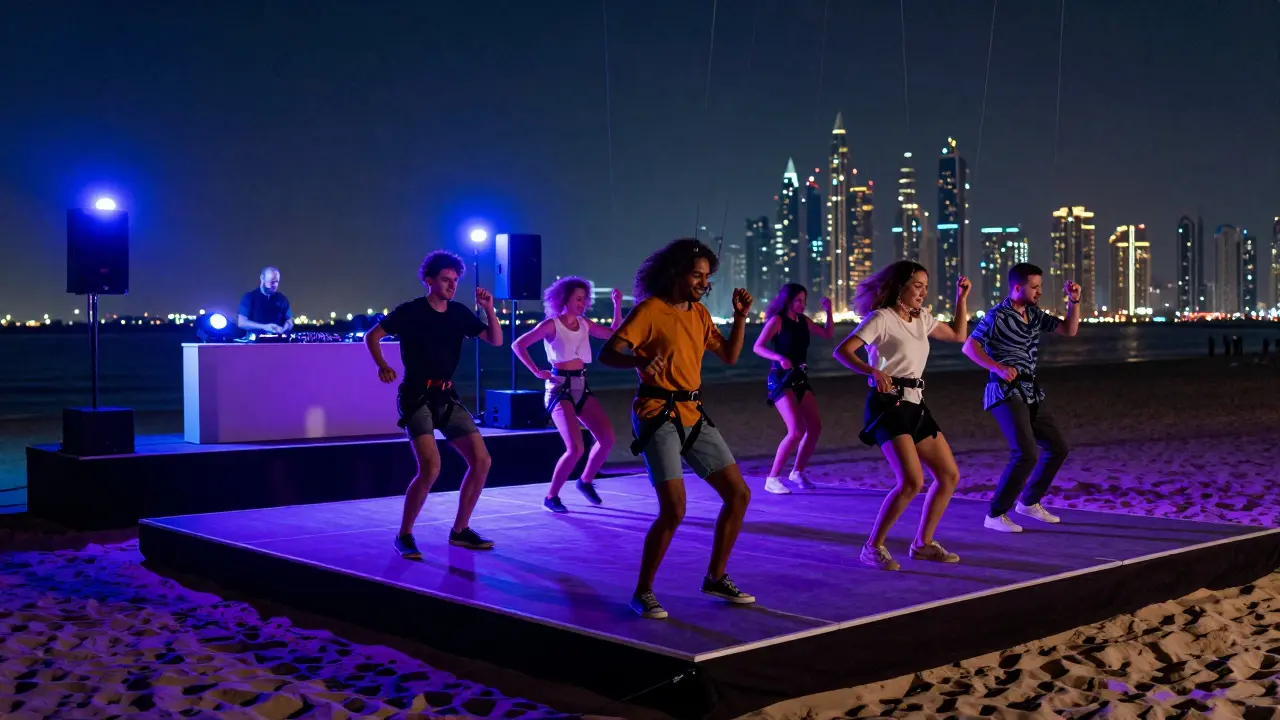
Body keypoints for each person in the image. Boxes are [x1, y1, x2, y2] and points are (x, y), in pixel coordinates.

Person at [598, 238, 755, 619]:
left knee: (738, 496)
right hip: (657, 413)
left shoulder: (700, 315)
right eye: (697, 275)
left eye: (707, 276)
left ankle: (716, 577)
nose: (704, 282)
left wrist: (739, 317)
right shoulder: (651, 310)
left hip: (693, 412)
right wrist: (638, 360)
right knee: (674, 510)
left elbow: (731, 357)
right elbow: (607, 354)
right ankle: (643, 592)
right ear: (676, 274)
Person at [364, 250, 504, 558]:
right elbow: (372, 336)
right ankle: (405, 534)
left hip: (447, 397)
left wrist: (489, 310)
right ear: (429, 281)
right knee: (431, 468)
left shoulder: (458, 313)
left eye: (455, 280)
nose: (452, 285)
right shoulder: (411, 312)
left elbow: (495, 340)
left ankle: (460, 531)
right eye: (445, 279)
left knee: (482, 461)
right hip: (416, 398)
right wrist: (382, 365)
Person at [833, 261, 971, 570]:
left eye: (925, 285)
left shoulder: (922, 319)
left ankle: (923, 543)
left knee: (948, 476)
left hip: (916, 405)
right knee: (911, 481)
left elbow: (959, 335)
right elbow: (843, 351)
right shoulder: (881, 319)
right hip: (887, 405)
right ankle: (873, 547)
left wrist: (961, 299)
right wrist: (872, 370)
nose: (923, 291)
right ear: (900, 287)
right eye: (918, 285)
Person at [962, 263, 1080, 533]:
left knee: (1058, 447)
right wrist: (997, 367)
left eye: (1040, 286)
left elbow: (1069, 330)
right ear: (1018, 287)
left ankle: (1028, 502)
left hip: (1030, 390)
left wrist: (1074, 301)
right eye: (1035, 287)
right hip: (1004, 391)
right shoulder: (997, 316)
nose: (1039, 292)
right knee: (1025, 452)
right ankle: (995, 514)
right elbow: (969, 346)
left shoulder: (1034, 314)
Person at [510, 277, 624, 513]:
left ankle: (585, 481)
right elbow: (518, 345)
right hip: (558, 389)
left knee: (607, 439)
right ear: (565, 299)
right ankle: (551, 496)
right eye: (578, 299)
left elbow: (615, 333)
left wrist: (616, 305)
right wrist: (535, 371)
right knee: (576, 448)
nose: (583, 303)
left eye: (585, 299)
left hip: (581, 385)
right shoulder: (551, 325)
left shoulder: (585, 323)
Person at [751, 283, 834, 494]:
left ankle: (797, 472)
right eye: (798, 300)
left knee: (814, 428)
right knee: (796, 430)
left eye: (804, 301)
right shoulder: (777, 321)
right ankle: (772, 478)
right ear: (787, 301)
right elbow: (757, 347)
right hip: (780, 378)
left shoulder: (804, 321)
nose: (802, 304)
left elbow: (827, 335)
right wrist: (779, 357)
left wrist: (829, 311)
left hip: (800, 378)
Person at [237, 266, 293, 334]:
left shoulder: (282, 299)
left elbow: (290, 322)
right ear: (262, 278)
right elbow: (241, 323)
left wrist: (283, 329)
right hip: (255, 342)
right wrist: (264, 327)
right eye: (272, 282)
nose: (275, 285)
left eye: (277, 282)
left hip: (277, 341)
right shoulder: (249, 297)